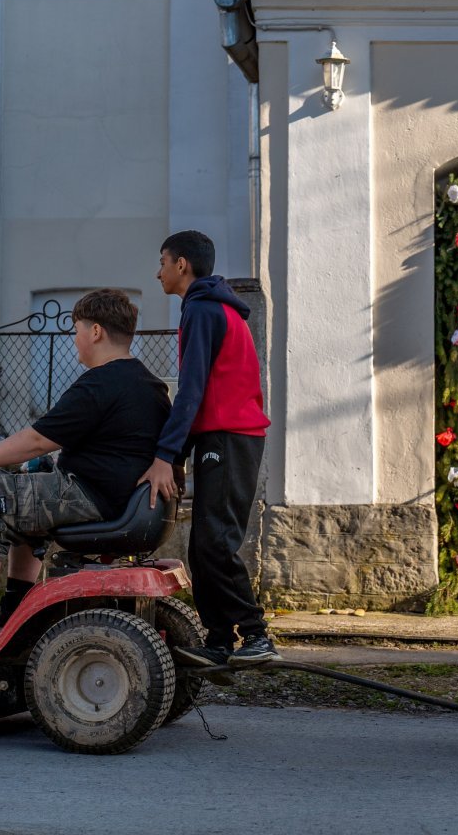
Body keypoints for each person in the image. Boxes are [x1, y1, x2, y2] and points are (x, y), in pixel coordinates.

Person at [0, 288, 171, 655]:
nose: (75, 339)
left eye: (77, 330)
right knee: (18, 496)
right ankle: (15, 610)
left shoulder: (101, 382)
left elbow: (37, 440)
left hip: (92, 495)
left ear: (96, 332)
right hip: (116, 496)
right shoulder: (147, 383)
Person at [138, 230, 277, 667]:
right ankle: (218, 642)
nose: (158, 272)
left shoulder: (203, 309)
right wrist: (180, 455)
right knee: (202, 546)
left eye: (162, 262)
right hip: (222, 436)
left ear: (182, 264)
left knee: (215, 542)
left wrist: (165, 455)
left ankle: (256, 634)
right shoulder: (210, 307)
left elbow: (191, 391)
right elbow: (203, 391)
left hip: (231, 437)